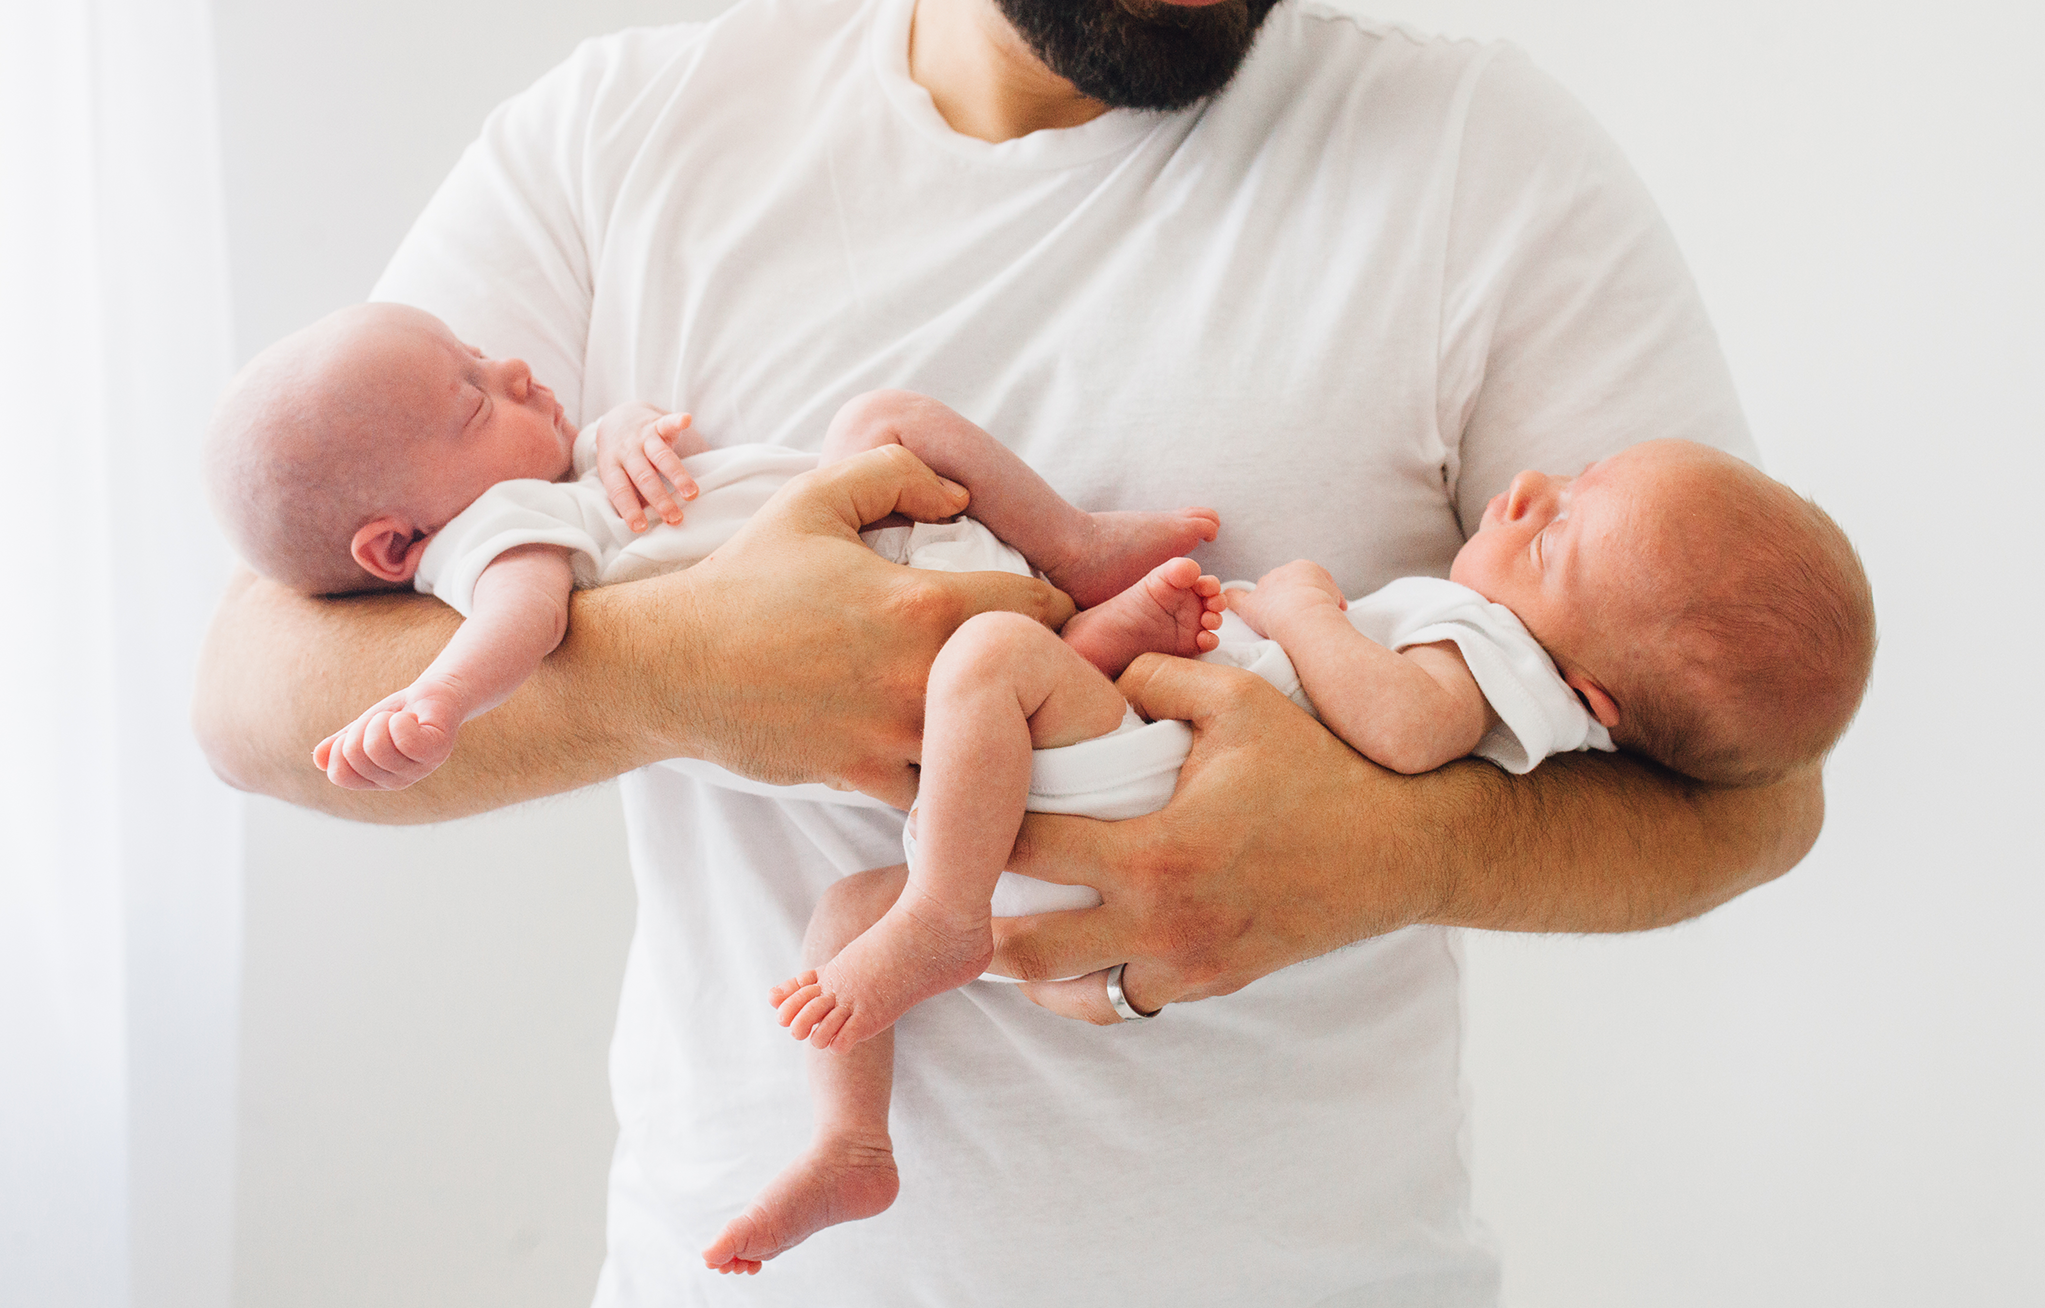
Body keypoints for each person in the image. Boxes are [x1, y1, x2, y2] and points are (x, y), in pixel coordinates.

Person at [192, 0, 1834, 1302]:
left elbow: (1751, 787)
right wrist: (683, 672)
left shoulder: (1480, 163)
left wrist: (1401, 847)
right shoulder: (620, 135)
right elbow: (260, 691)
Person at [718, 437, 1872, 1274]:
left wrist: (1308, 606)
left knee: (986, 662)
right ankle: (850, 1141)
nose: (1527, 491)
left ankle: (942, 915)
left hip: (1136, 800)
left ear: (1593, 693)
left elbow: (1408, 727)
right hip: (1116, 815)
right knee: (842, 915)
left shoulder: (1494, 657)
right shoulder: (1538, 651)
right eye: (1566, 484)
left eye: (1561, 528)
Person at [200, 302, 1219, 790]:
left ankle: (1078, 559)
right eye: (474, 401)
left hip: (884, 538)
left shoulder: (557, 478)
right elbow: (526, 620)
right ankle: (1081, 610)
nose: (511, 367)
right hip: (884, 588)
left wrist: (630, 428)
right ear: (396, 545)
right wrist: (442, 697)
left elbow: (625, 445)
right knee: (898, 454)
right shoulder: (498, 533)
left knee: (880, 418)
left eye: (480, 354)